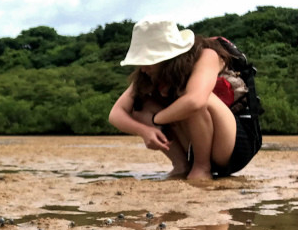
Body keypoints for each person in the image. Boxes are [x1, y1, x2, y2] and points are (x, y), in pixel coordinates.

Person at [108, 18, 261, 180]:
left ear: (168, 56)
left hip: (235, 144)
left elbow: (196, 101)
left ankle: (202, 168)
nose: (143, 68)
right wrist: (145, 130)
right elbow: (116, 114)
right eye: (140, 62)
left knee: (194, 98)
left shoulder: (207, 55)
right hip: (196, 143)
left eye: (149, 61)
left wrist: (157, 119)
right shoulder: (146, 74)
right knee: (141, 108)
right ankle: (181, 165)